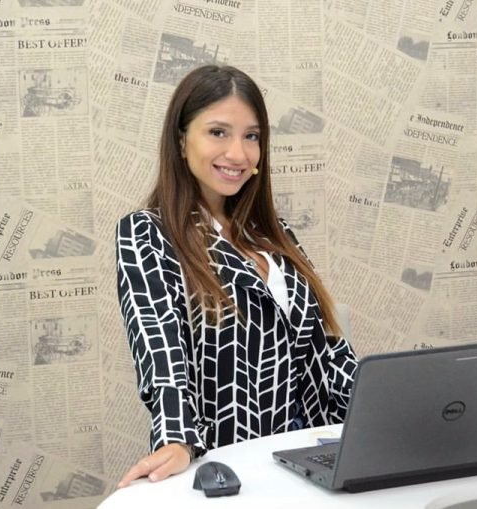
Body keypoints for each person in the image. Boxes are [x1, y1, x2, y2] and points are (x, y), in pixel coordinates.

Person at [114, 65, 358, 487]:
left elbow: (328, 350)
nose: (238, 154)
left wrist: (387, 413)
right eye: (218, 132)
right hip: (227, 467)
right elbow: (159, 347)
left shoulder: (275, 236)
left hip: (312, 462)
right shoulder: (148, 232)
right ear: (181, 140)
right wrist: (177, 439)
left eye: (252, 136)